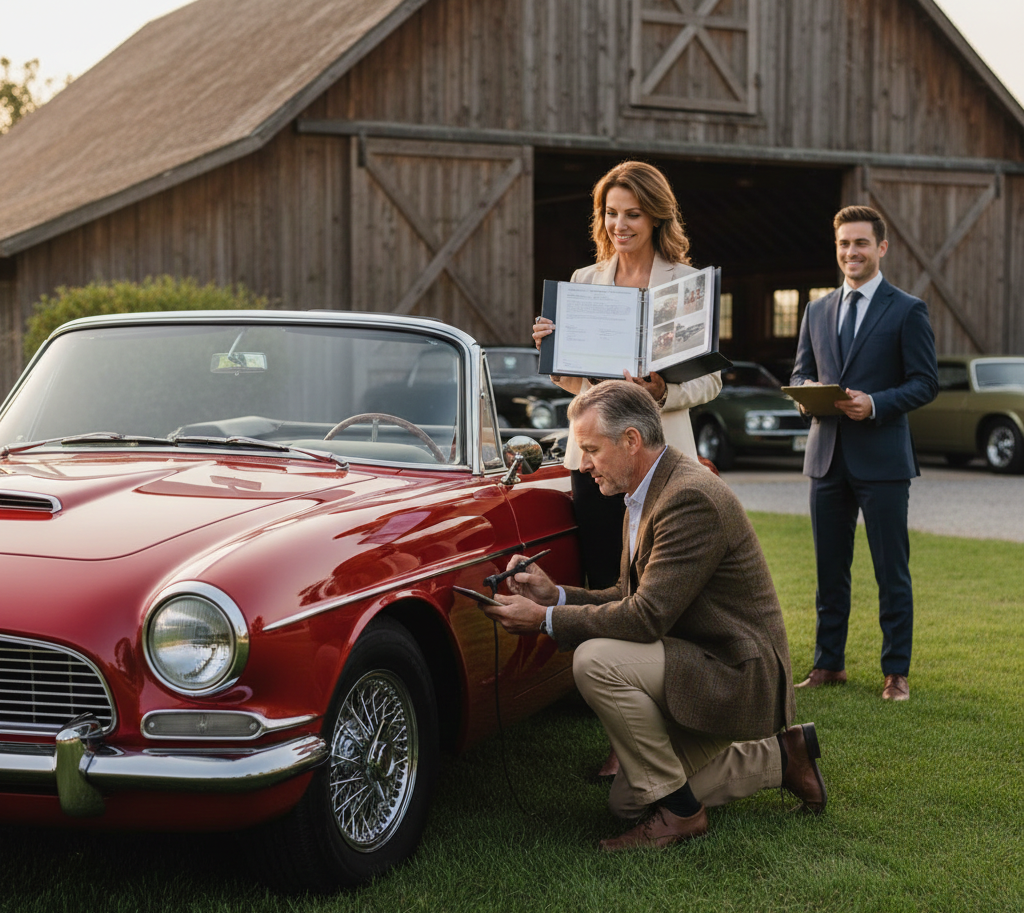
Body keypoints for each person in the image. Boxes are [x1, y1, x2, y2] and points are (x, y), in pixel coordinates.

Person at [484, 381, 826, 850]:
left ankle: (683, 815)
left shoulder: (689, 498)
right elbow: (627, 593)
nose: (581, 465)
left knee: (595, 660)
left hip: (736, 673)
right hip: (697, 657)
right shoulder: (644, 488)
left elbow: (644, 618)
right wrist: (554, 595)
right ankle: (785, 758)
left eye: (590, 449)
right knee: (626, 802)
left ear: (630, 441)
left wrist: (543, 621)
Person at [532, 161, 721, 591]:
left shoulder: (688, 283)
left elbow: (711, 381)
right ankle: (602, 659)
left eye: (632, 214)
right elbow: (578, 386)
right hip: (594, 459)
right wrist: (554, 355)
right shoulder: (584, 280)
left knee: (661, 579)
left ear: (656, 216)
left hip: (663, 458)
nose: (619, 224)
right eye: (611, 212)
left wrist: (663, 391)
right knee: (601, 574)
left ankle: (660, 660)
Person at [790, 205, 939, 702]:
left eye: (860, 243)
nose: (851, 252)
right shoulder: (816, 310)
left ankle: (896, 671)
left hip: (884, 460)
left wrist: (875, 404)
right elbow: (798, 373)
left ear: (881, 248)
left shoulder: (907, 309)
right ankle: (828, 664)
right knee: (829, 570)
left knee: (890, 571)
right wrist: (805, 389)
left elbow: (924, 383)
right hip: (825, 457)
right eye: (843, 244)